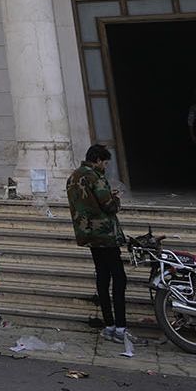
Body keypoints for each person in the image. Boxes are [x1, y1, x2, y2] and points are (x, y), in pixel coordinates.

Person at [68, 144, 127, 342]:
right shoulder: (95, 177)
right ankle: (120, 327)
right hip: (106, 235)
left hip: (89, 235)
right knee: (119, 278)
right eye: (105, 162)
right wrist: (116, 200)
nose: (105, 166)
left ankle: (109, 324)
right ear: (98, 160)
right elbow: (108, 205)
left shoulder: (73, 177)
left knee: (102, 278)